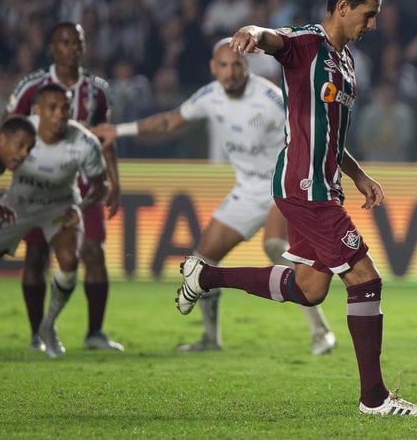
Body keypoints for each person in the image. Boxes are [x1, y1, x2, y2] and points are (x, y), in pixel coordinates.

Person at [176, 0, 417, 416]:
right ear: (342, 7)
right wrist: (251, 32)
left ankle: (204, 275)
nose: (372, 24)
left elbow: (330, 136)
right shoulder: (309, 44)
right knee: (365, 280)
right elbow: (274, 38)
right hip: (304, 187)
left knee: (311, 287)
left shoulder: (345, 60)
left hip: (324, 186)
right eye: (368, 15)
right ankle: (374, 399)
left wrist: (357, 175)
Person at [90, 38, 337, 355]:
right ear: (213, 68)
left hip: (283, 185)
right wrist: (119, 131)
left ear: (247, 66)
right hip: (247, 191)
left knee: (275, 246)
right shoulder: (209, 97)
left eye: (237, 65)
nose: (230, 73)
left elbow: (310, 134)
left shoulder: (272, 99)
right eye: (224, 66)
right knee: (201, 261)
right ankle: (210, 338)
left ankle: (321, 333)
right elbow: (168, 121)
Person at [0, 84, 107, 356]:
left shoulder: (84, 142)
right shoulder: (22, 131)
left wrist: (81, 207)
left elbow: (101, 186)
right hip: (18, 204)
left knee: (70, 260)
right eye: (52, 107)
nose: (60, 114)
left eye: (65, 108)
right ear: (37, 110)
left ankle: (47, 327)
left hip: (59, 206)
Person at [3, 22, 122, 352]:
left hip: (85, 185)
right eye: (65, 42)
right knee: (37, 256)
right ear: (52, 47)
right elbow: (7, 128)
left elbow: (105, 137)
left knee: (93, 253)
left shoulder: (97, 90)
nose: (72, 48)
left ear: (84, 47)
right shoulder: (33, 86)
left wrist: (115, 180)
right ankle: (35, 334)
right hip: (39, 186)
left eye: (78, 42)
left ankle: (94, 333)